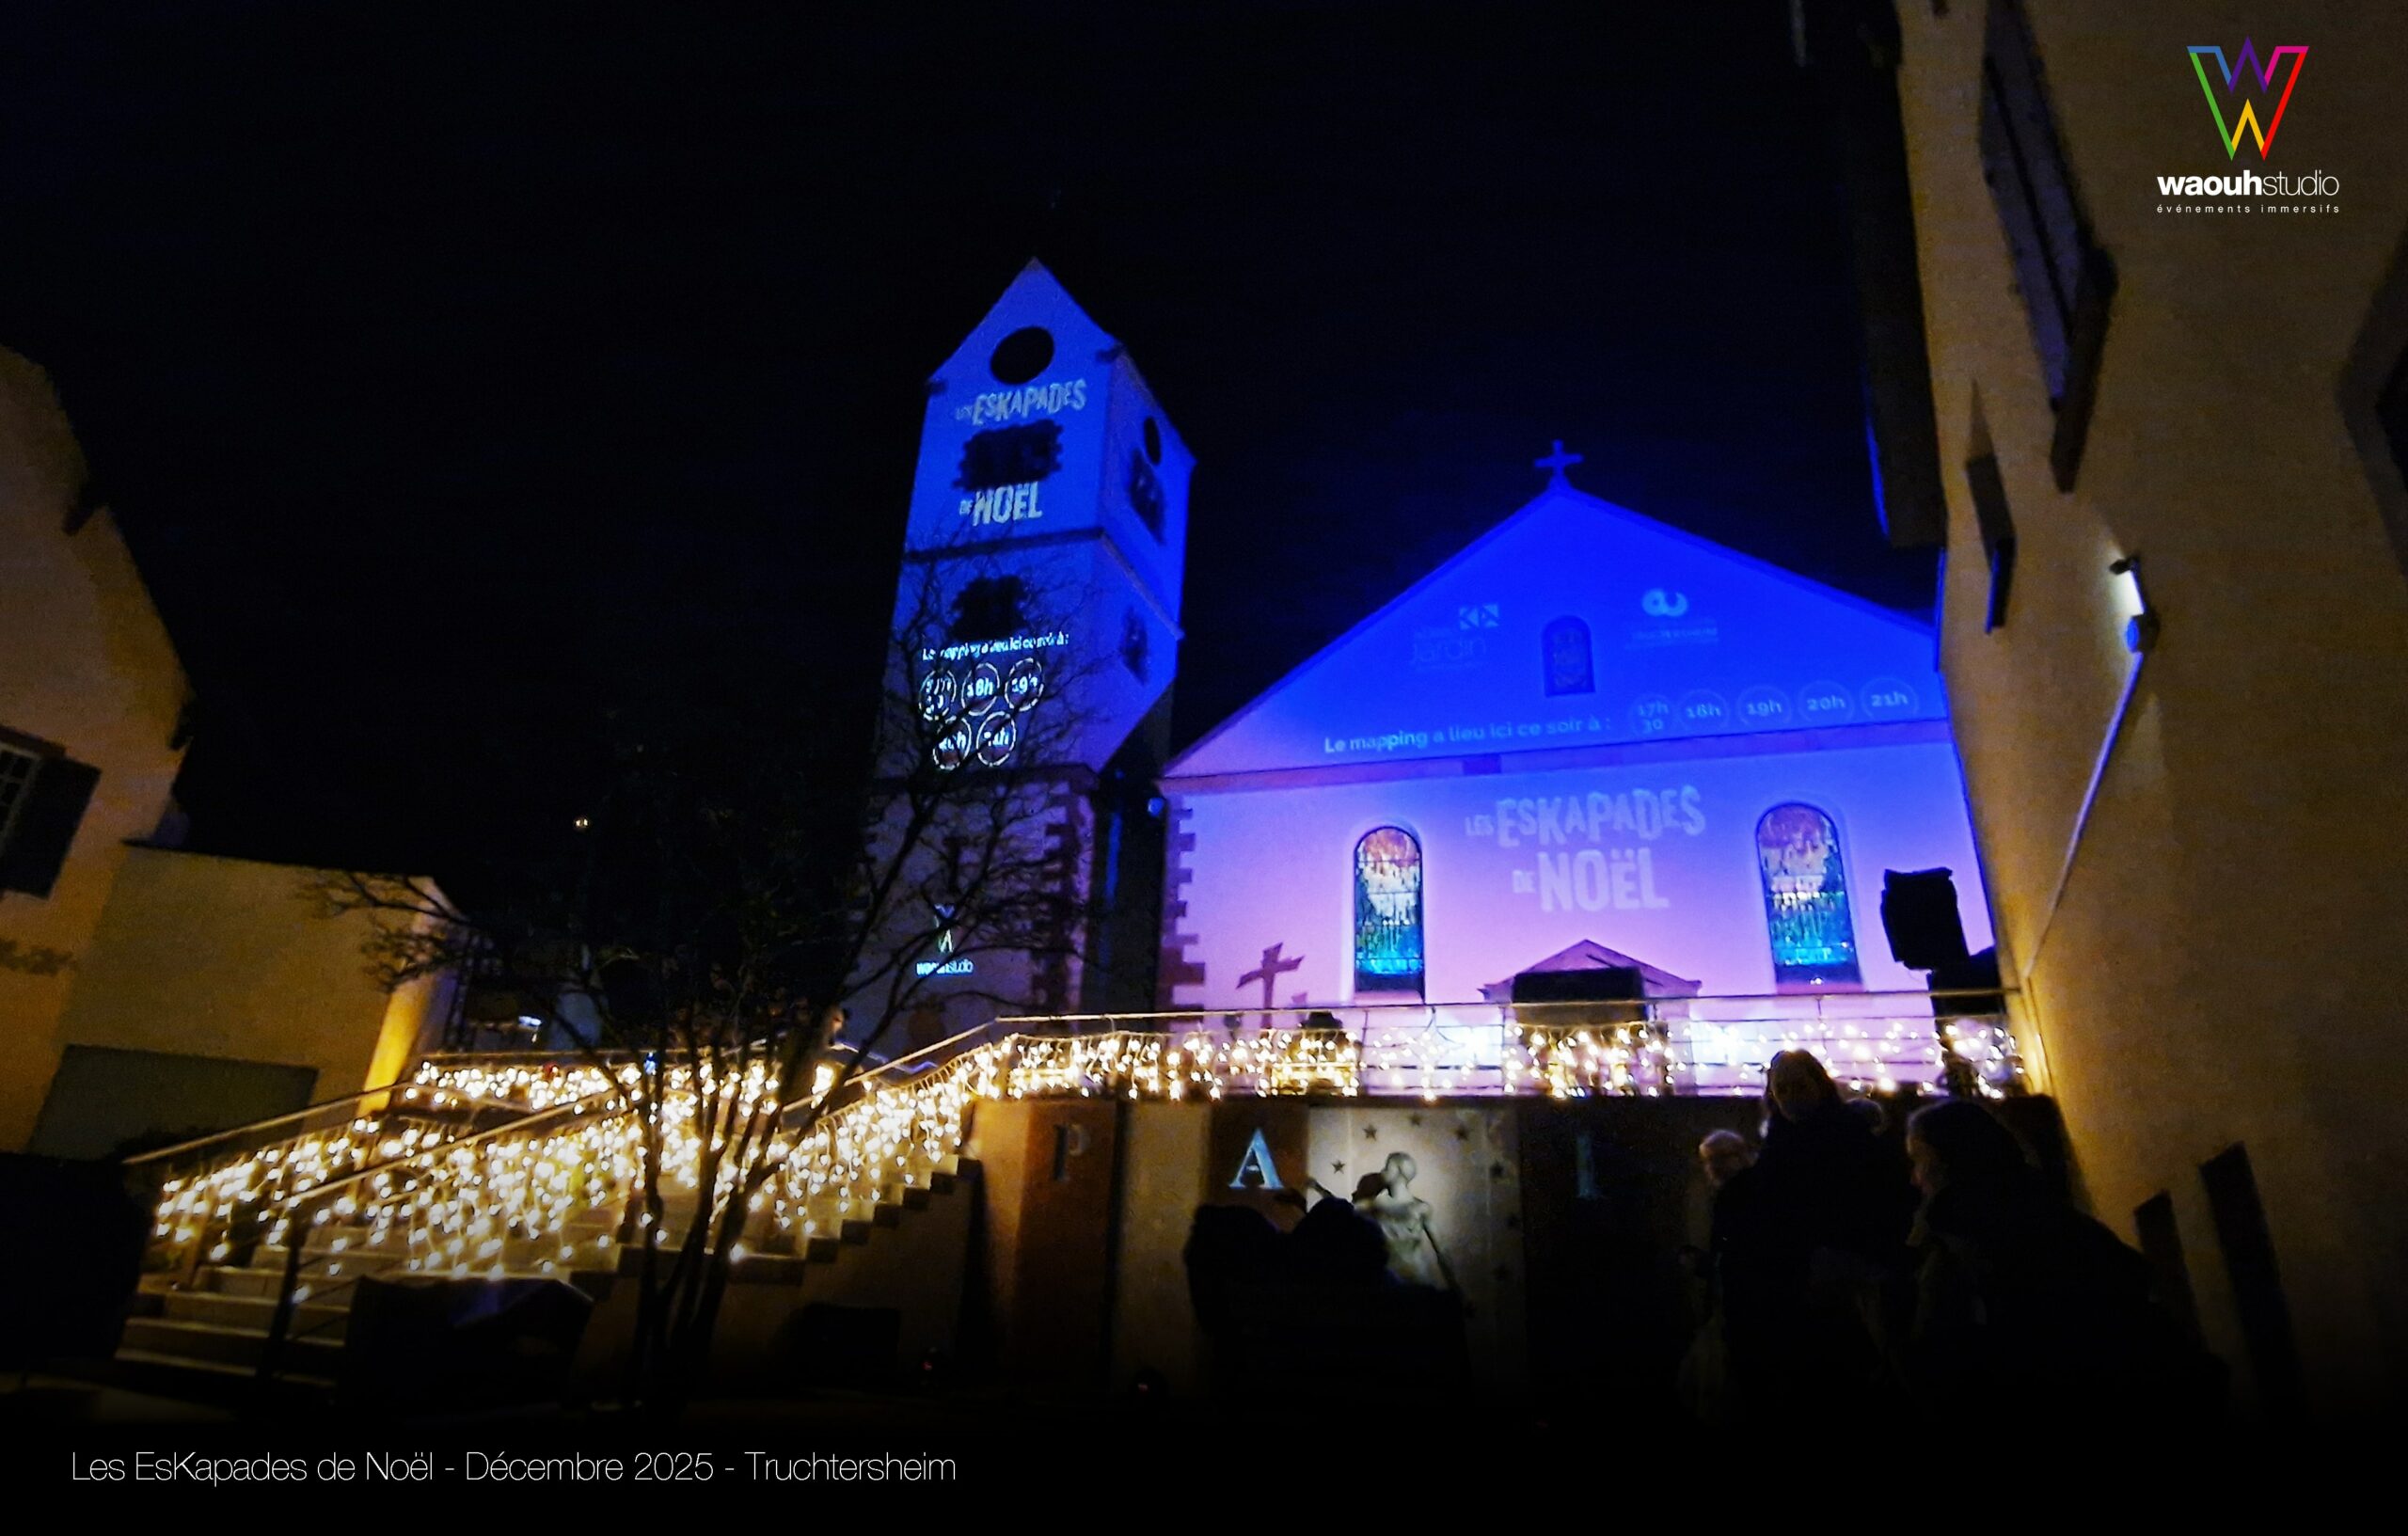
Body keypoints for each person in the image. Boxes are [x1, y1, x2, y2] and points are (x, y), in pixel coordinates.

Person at [1898, 1099, 2222, 1421]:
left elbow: (1941, 1366)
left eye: (1918, 1159)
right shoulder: (2060, 1221)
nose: (1914, 1178)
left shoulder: (1962, 1247)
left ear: (1946, 1160)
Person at [1717, 1051, 1914, 1412]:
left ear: (1819, 1086)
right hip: (1799, 1293)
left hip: (1853, 1284)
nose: (1791, 1096)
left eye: (1799, 1086)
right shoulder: (1776, 1148)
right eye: (1782, 1089)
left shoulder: (1852, 1139)